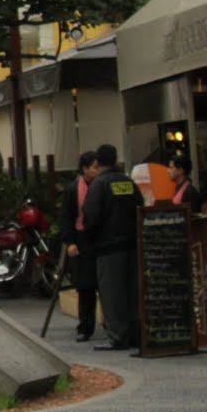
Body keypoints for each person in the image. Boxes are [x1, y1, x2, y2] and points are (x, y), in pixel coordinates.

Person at [82, 143, 144, 352]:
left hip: (108, 248)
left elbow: (91, 217)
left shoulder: (98, 185)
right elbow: (141, 208)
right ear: (116, 159)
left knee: (111, 294)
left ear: (98, 162)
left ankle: (117, 336)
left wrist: (90, 242)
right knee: (132, 291)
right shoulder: (128, 182)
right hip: (132, 245)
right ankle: (136, 333)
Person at [58, 152, 101, 342]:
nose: (97, 170)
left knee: (105, 285)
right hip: (81, 239)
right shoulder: (73, 189)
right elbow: (66, 217)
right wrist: (70, 242)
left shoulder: (102, 186)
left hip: (100, 239)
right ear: (84, 169)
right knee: (85, 287)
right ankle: (85, 326)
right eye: (94, 167)